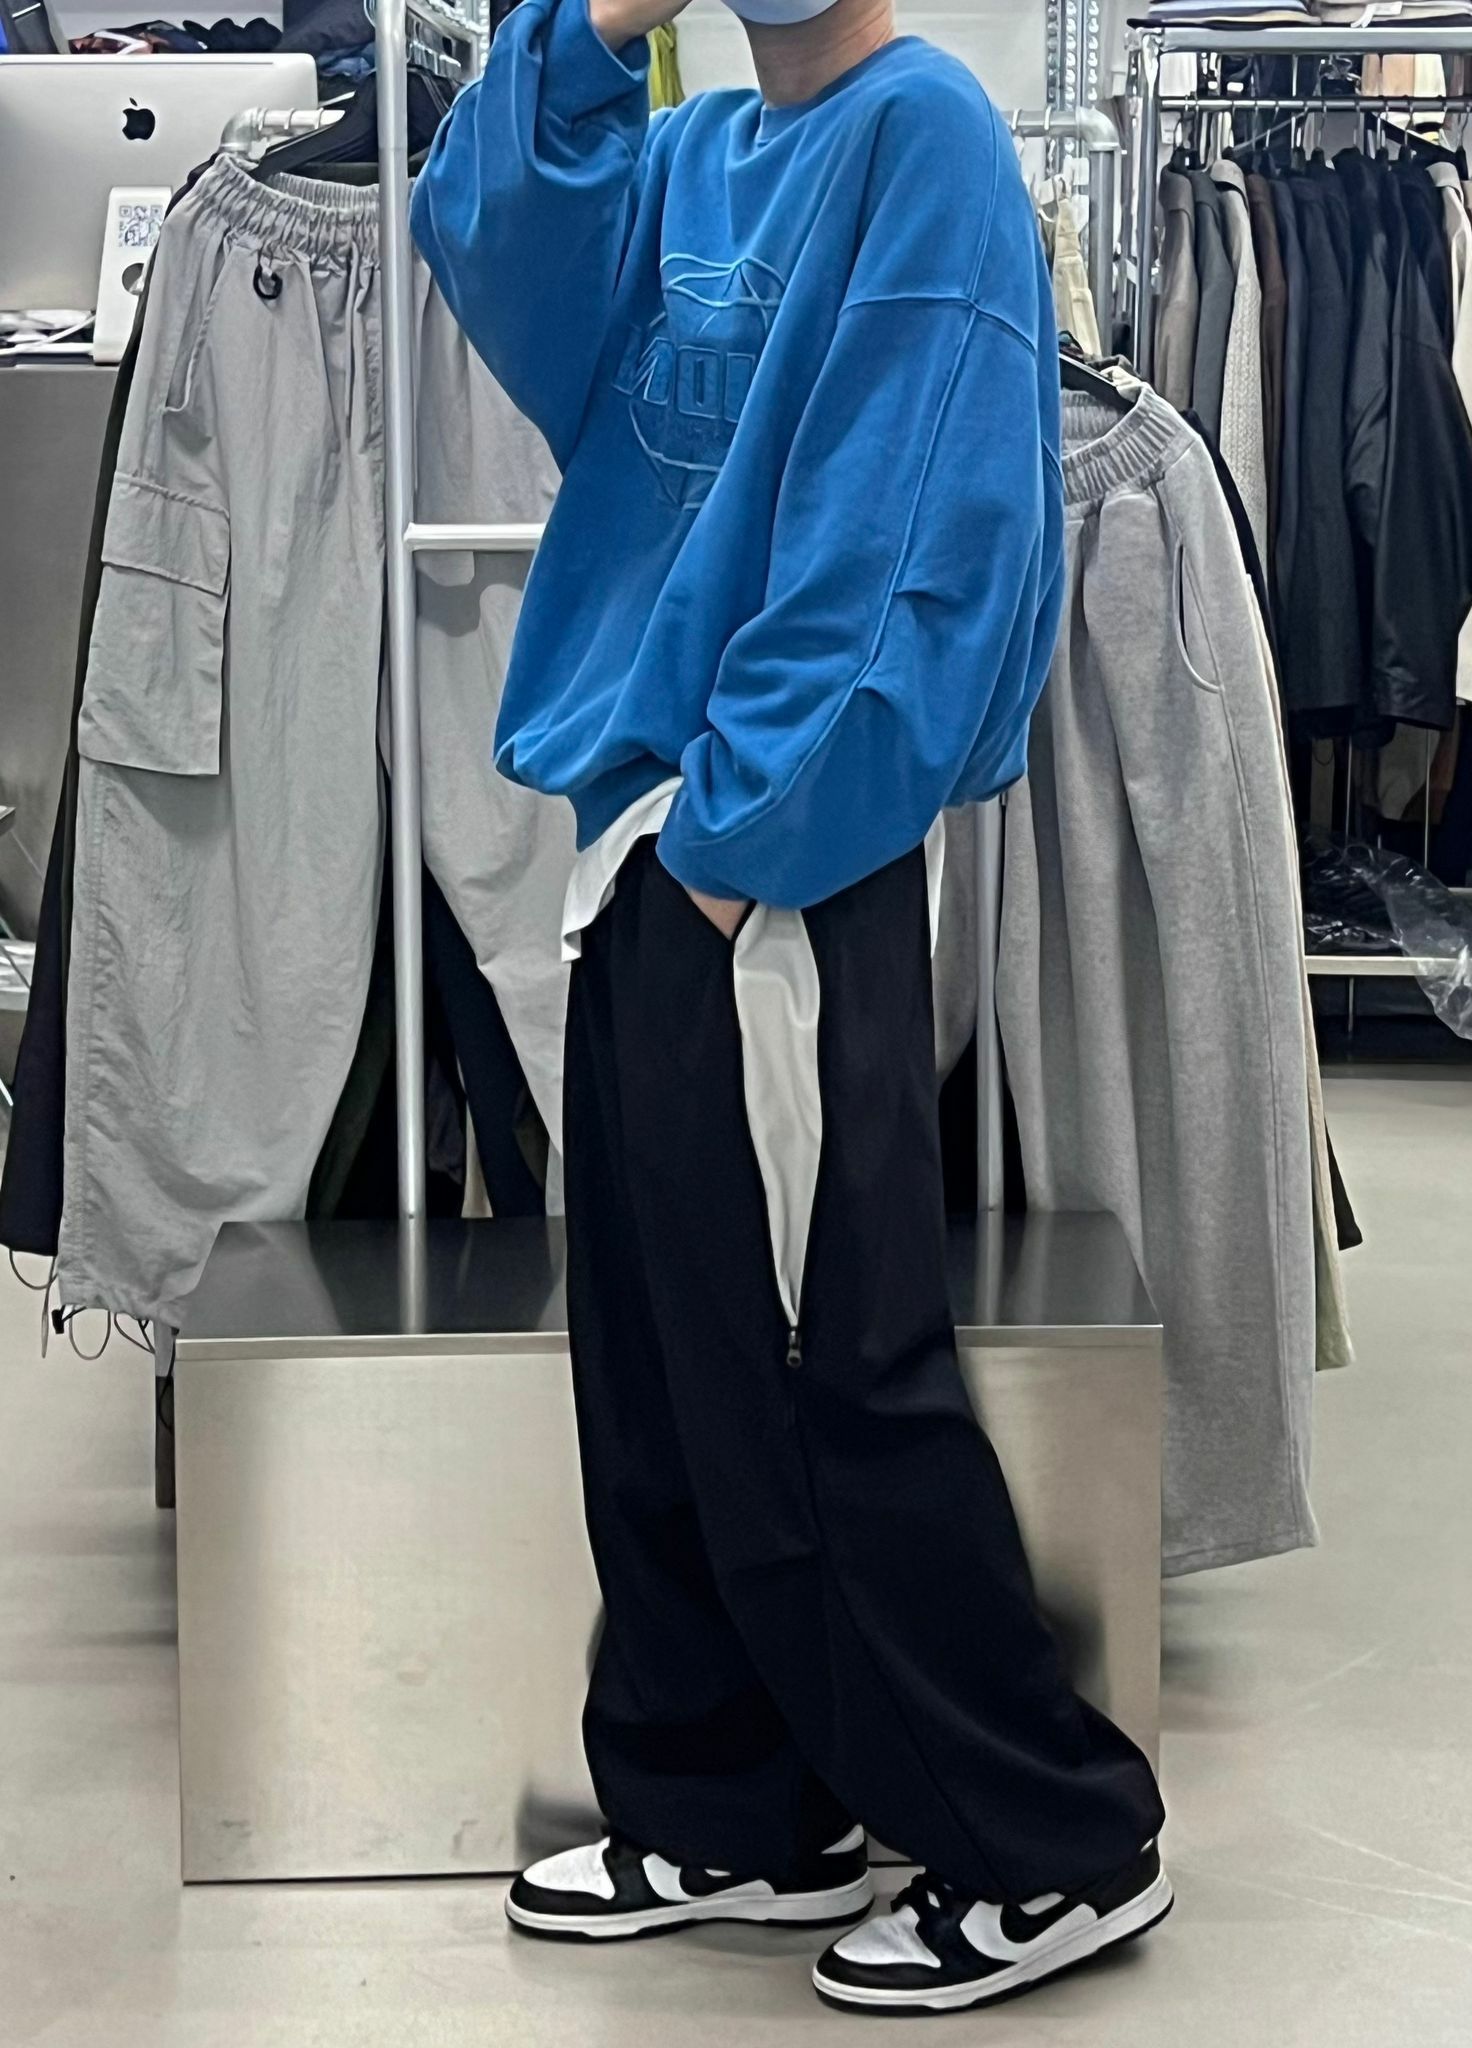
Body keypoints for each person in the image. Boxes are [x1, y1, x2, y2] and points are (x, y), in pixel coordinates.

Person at [412, 0, 1170, 2014]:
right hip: (646, 838)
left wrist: (738, 845)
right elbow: (485, 230)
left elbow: (915, 543)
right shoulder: (694, 153)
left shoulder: (927, 139)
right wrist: (599, 27)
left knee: (827, 1378)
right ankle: (730, 1802)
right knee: (662, 1367)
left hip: (773, 861)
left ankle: (1053, 1839)